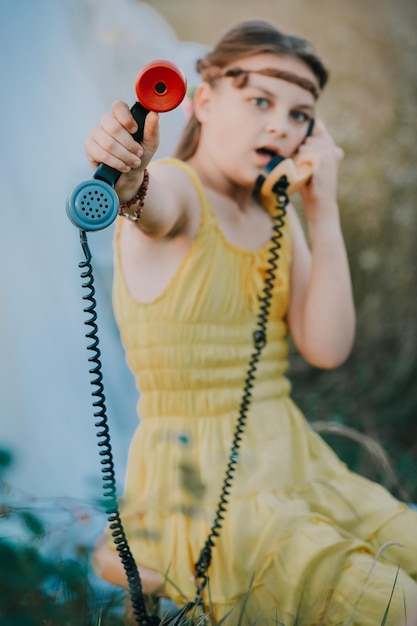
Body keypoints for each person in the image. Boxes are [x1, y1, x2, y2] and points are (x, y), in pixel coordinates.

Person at [84, 20, 417, 626]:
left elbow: (327, 346)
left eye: (300, 115)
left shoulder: (277, 214)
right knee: (394, 604)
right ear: (204, 101)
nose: (280, 126)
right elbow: (148, 205)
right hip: (205, 482)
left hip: (297, 460)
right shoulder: (180, 194)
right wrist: (130, 178)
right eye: (261, 101)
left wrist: (321, 208)